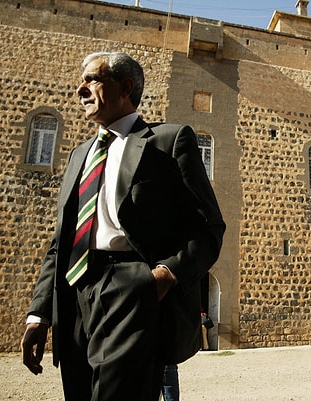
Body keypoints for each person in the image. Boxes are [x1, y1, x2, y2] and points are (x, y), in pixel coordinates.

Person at [20, 52, 225, 401]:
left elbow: (208, 228)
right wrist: (40, 312)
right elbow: (61, 242)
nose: (80, 89)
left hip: (131, 285)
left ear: (126, 86)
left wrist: (162, 277)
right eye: (80, 81)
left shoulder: (168, 141)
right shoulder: (79, 154)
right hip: (73, 293)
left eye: (92, 80)